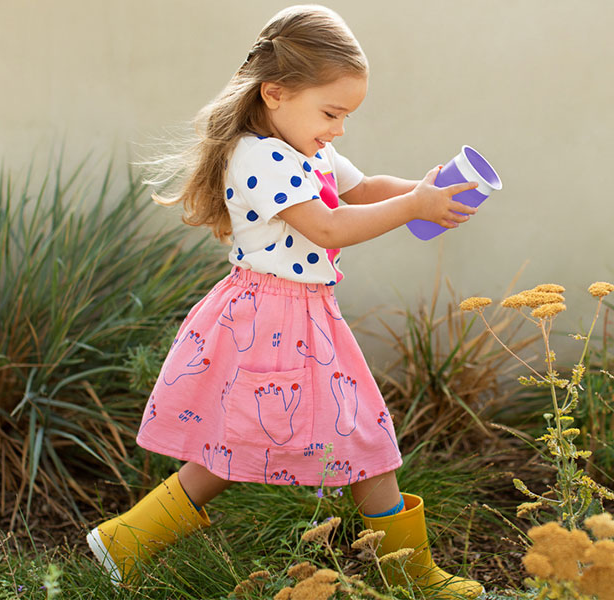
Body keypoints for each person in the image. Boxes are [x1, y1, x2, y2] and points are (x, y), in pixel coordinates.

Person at [86, 5, 483, 598]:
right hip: (270, 319)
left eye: (347, 115)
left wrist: (427, 191)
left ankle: (126, 540)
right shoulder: (259, 156)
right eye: (332, 112)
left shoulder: (305, 146)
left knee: (261, 442)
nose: (339, 128)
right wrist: (413, 210)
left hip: (301, 316)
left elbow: (363, 188)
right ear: (275, 93)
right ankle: (412, 577)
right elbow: (328, 227)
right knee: (355, 436)